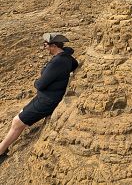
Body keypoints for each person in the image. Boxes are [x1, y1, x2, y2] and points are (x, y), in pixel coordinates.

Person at [0, 32, 78, 165]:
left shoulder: (57, 62)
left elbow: (40, 84)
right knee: (19, 115)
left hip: (47, 100)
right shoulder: (67, 57)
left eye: (45, 45)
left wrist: (35, 82)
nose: (44, 47)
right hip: (46, 96)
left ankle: (1, 152)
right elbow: (74, 65)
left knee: (17, 123)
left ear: (53, 46)